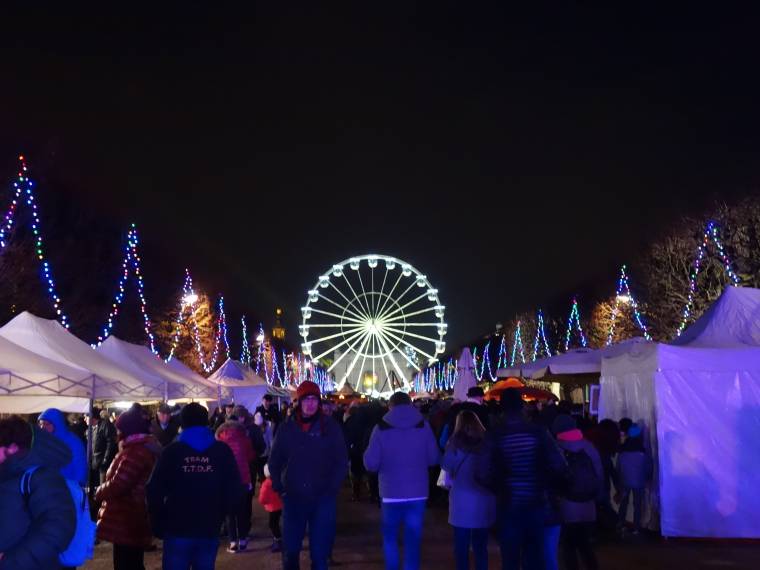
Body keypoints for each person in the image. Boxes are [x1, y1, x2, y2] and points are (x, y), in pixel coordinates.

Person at [147, 403, 243, 570]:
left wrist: (158, 523)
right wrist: (221, 515)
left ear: (182, 424)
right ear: (206, 422)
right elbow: (235, 489)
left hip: (177, 528)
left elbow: (153, 490)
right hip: (208, 527)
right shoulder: (221, 450)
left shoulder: (172, 451)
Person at [268, 381, 348, 570]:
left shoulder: (330, 428)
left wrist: (332, 488)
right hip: (294, 497)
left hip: (322, 498)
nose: (310, 404)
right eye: (306, 399)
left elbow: (341, 461)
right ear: (299, 402)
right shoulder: (287, 428)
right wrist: (279, 486)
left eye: (314, 399)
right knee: (291, 552)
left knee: (319, 554)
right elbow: (275, 459)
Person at [490, 389, 568, 570]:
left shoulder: (496, 435)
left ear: (502, 407)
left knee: (510, 560)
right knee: (534, 559)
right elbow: (559, 465)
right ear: (522, 406)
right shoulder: (538, 432)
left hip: (508, 506)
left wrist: (499, 485)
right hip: (537, 504)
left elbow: (482, 472)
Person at [364, 391, 441, 570]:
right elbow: (433, 458)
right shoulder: (424, 425)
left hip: (391, 492)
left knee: (390, 538)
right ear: (410, 404)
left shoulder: (381, 428)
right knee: (413, 539)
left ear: (390, 406)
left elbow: (371, 464)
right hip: (418, 492)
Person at [0, 416, 76, 569]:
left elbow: (58, 529)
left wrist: (11, 561)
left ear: (12, 448)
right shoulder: (8, 474)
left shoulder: (40, 476)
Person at [95, 405, 160, 570]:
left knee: (127, 563)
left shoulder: (135, 451)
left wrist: (99, 491)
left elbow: (120, 483)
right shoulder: (138, 448)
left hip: (128, 515)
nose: (117, 433)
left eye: (119, 429)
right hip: (131, 515)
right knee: (131, 561)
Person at [441, 410, 495, 570]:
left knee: (461, 545)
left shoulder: (454, 445)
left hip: (461, 498)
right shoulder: (487, 444)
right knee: (481, 545)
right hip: (484, 497)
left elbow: (446, 468)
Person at [552, 414, 602, 570]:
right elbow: (599, 474)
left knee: (568, 547)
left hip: (567, 505)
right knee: (585, 545)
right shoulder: (589, 447)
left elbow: (554, 477)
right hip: (589, 505)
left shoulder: (557, 447)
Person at [215, 409, 256, 553]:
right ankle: (243, 540)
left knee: (229, 513)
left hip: (225, 481)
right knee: (242, 512)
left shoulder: (219, 438)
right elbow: (250, 456)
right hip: (243, 479)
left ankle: (233, 543)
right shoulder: (244, 437)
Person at [615, 423, 652, 535]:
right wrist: (647, 478)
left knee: (624, 503)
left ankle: (621, 523)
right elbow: (648, 467)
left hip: (625, 480)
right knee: (637, 504)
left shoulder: (623, 450)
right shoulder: (643, 451)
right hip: (639, 481)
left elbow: (618, 467)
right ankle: (636, 527)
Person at [39, 408, 88, 486]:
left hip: (69, 487)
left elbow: (80, 465)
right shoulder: (44, 441)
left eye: (46, 424)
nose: (42, 427)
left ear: (57, 423)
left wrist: (78, 485)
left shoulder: (72, 441)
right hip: (49, 488)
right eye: (41, 424)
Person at [86, 407, 117, 489]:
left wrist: (105, 459)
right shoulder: (89, 429)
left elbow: (110, 443)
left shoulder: (105, 425)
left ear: (92, 417)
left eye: (86, 416)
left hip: (102, 463)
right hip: (93, 462)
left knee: (102, 486)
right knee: (93, 485)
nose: (84, 419)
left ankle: (101, 501)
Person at [342, 401, 368, 501]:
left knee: (354, 472)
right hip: (363, 448)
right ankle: (367, 489)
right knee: (363, 470)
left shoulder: (349, 420)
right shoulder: (366, 420)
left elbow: (346, 435)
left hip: (354, 449)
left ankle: (356, 492)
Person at [258, 463, 284, 553]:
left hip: (273, 508)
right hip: (282, 505)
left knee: (273, 524)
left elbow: (262, 499)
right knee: (282, 522)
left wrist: (265, 502)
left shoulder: (266, 484)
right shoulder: (280, 480)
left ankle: (278, 540)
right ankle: (283, 538)